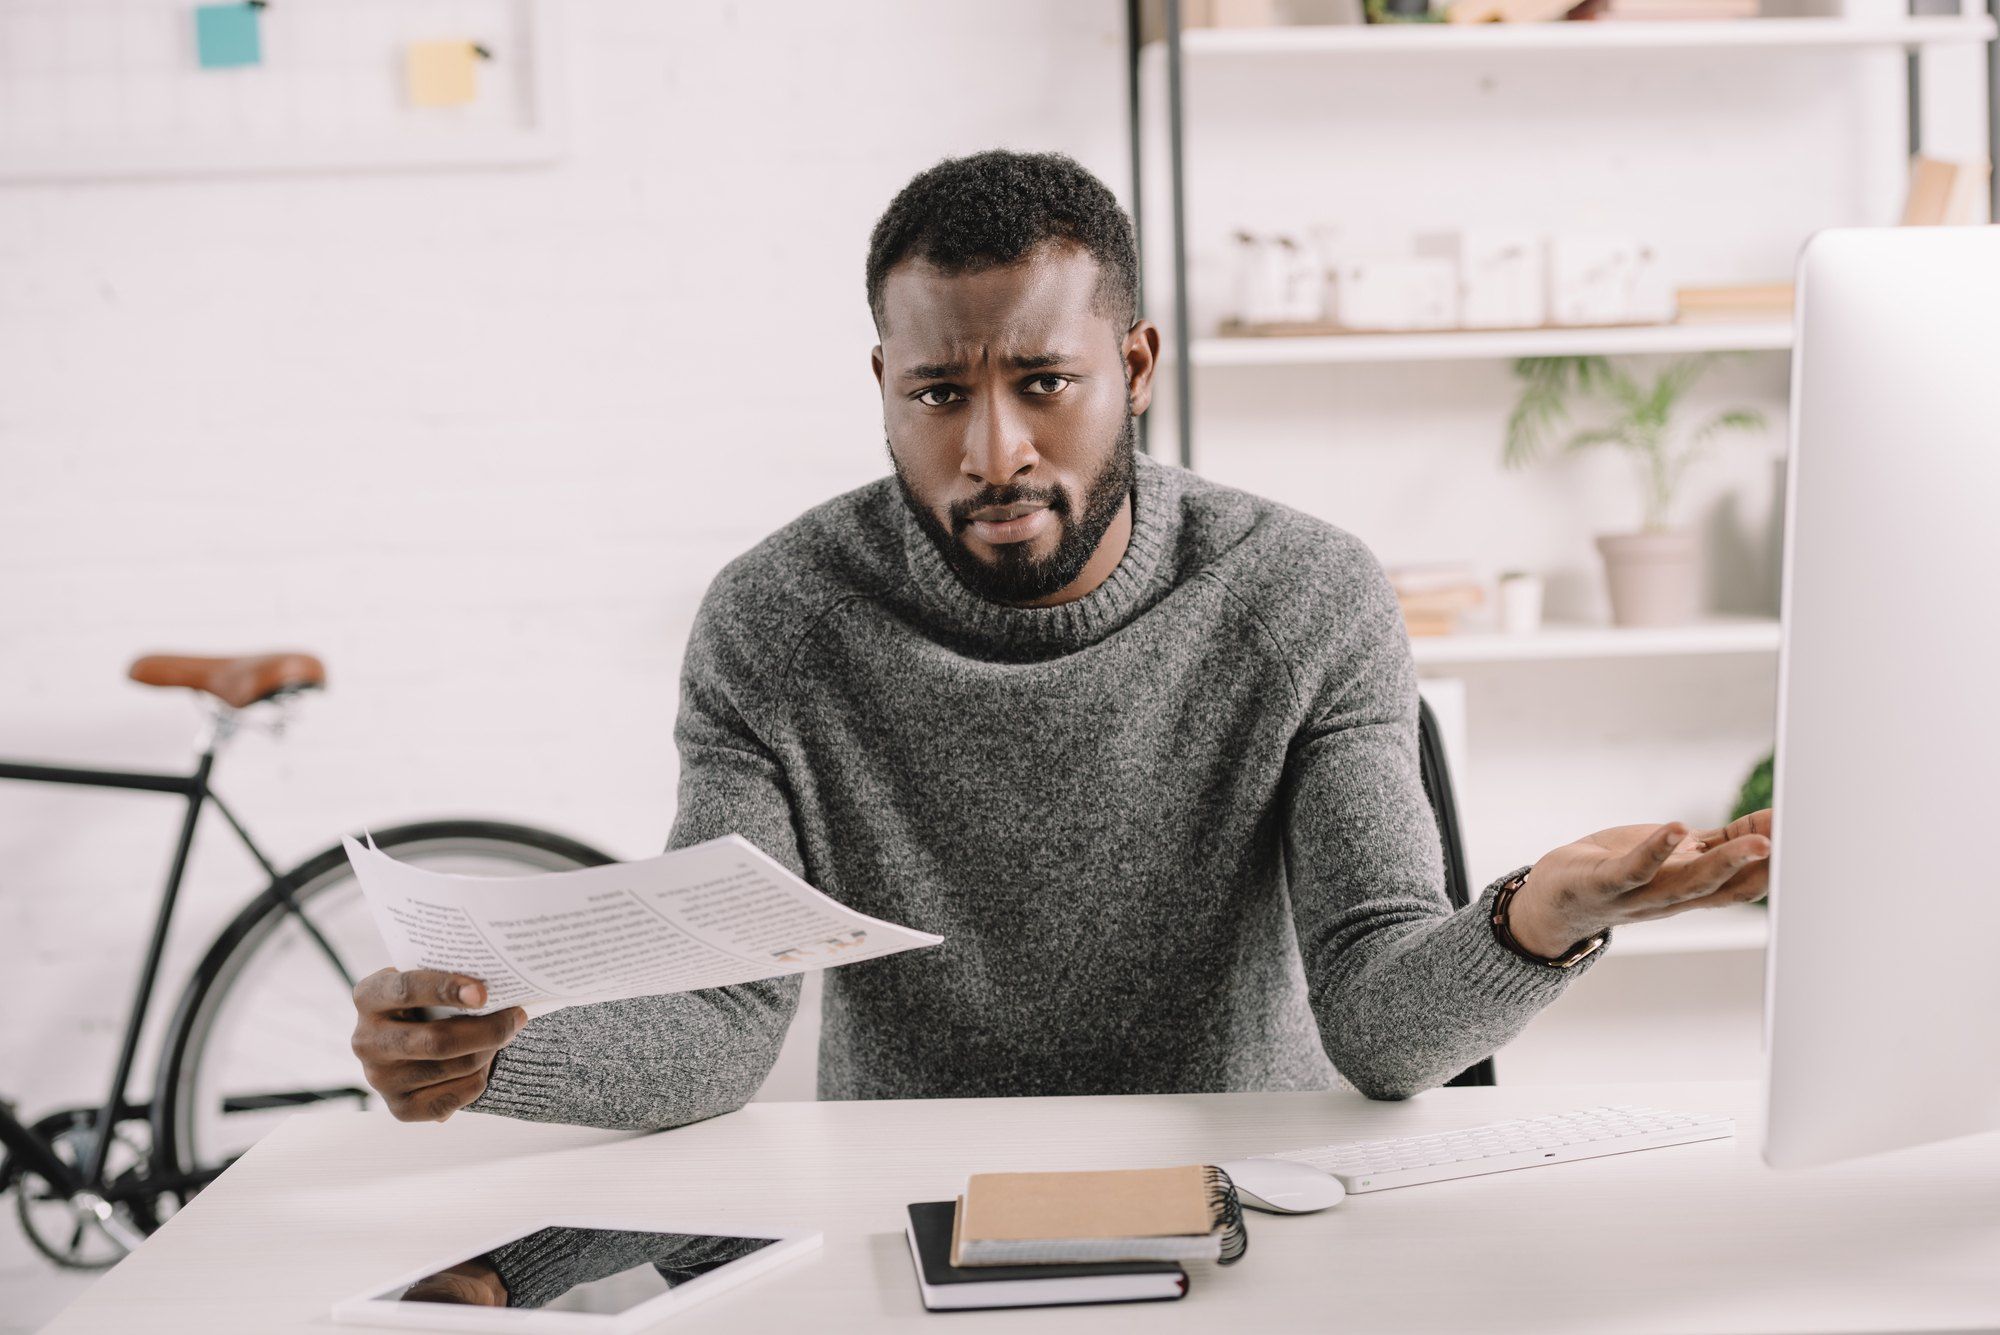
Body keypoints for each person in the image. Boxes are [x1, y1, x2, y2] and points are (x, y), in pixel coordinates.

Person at [350, 149, 1773, 1135]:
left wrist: (1536, 920)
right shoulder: (775, 623)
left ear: (1136, 368)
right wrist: (493, 1056)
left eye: (1045, 383)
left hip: (1246, 1192)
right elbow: (724, 1030)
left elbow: (1382, 1030)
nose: (993, 450)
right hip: (914, 1206)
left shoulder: (1303, 594)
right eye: (937, 394)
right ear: (883, 386)